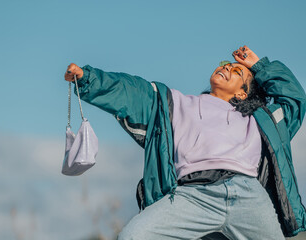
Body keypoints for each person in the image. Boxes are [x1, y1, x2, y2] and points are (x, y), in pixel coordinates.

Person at [64, 46, 306, 239]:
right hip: (192, 195)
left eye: (236, 72)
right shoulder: (175, 103)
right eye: (227, 65)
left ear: (242, 93)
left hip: (249, 196)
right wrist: (88, 79)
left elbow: (294, 98)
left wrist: (258, 66)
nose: (228, 68)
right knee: (132, 236)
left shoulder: (261, 121)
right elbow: (130, 91)